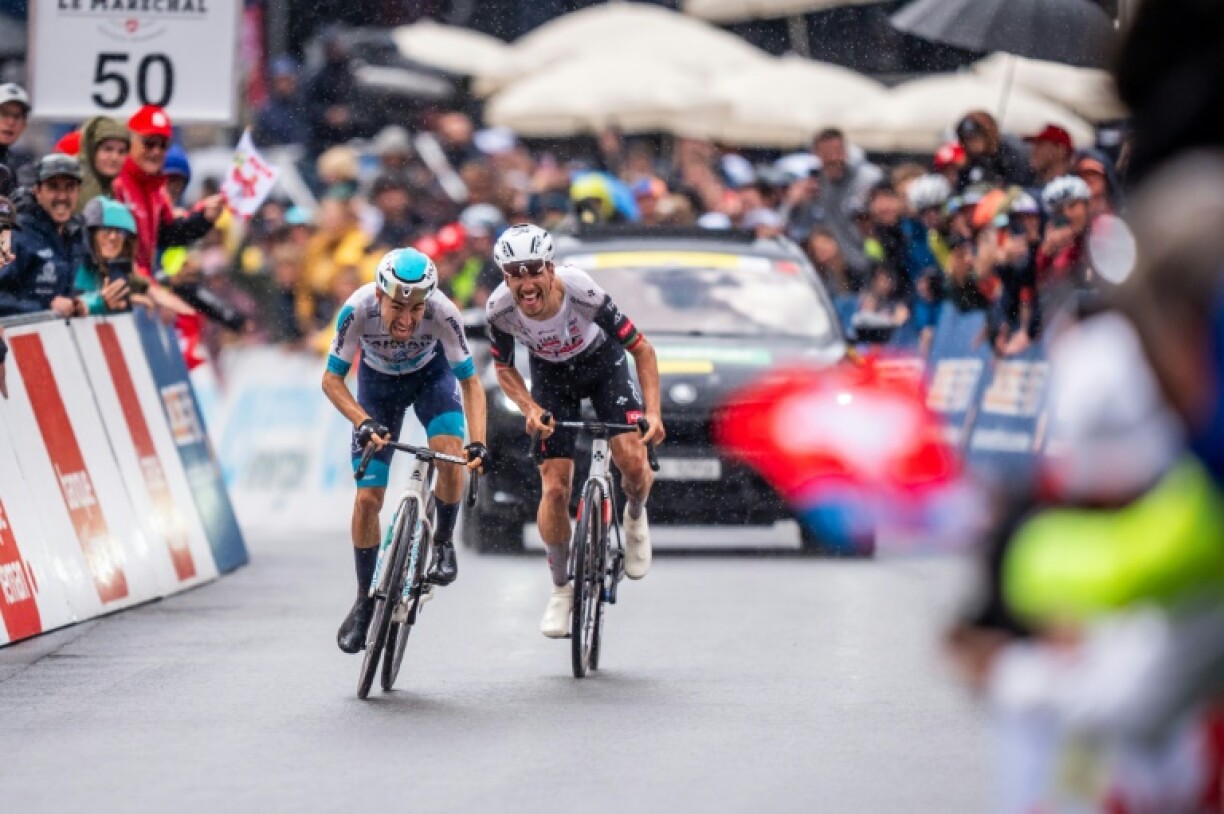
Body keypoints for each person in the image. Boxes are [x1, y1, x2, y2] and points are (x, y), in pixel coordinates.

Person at [484, 224, 665, 638]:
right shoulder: (499, 310)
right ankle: (561, 589)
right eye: (515, 274)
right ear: (505, 277)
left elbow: (642, 349)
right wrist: (530, 408)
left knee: (632, 460)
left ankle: (634, 515)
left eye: (534, 270)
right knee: (554, 488)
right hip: (551, 378)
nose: (527, 284)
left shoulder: (582, 291)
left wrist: (653, 414)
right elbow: (504, 368)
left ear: (550, 268)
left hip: (602, 366)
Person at [322, 247, 489, 654]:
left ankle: (444, 541)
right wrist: (362, 421)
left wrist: (479, 442)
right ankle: (364, 600)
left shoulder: (443, 311)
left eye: (416, 309)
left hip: (431, 380)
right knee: (368, 499)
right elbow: (331, 380)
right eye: (397, 307)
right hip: (377, 390)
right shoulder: (357, 309)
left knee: (449, 453)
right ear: (379, 295)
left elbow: (470, 383)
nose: (407, 319)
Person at [111, 105, 223, 279]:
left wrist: (204, 218)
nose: (156, 151)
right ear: (130, 142)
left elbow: (168, 234)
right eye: (149, 143)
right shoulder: (116, 183)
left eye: (163, 145)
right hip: (121, 287)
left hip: (142, 286)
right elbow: (112, 253)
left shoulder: (155, 191)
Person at [0, 154, 85, 318]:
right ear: (37, 192)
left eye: (70, 187)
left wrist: (77, 305)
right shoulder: (16, 234)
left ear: (78, 192)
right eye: (53, 187)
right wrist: (44, 307)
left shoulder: (76, 236)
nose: (62, 196)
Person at [74, 197, 137, 315]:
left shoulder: (124, 273)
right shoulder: (75, 267)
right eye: (106, 229)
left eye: (120, 231)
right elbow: (69, 306)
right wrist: (100, 302)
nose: (113, 237)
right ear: (91, 234)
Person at [955, 111, 1034, 191]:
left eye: (976, 138)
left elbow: (1021, 184)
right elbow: (962, 186)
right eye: (967, 140)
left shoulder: (1010, 151)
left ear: (987, 135)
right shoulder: (973, 158)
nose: (971, 145)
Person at [76, 116, 129, 212]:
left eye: (121, 151)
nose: (114, 158)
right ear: (92, 151)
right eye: (107, 149)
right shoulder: (75, 187)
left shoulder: (122, 189)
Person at [253, 56, 306, 148]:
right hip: (275, 153)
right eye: (281, 81)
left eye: (288, 80)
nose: (284, 85)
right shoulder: (267, 110)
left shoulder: (304, 106)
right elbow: (261, 140)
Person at [0, 84, 32, 189]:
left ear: (24, 125)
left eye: (17, 116)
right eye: (4, 114)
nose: (11, 122)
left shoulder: (16, 162)